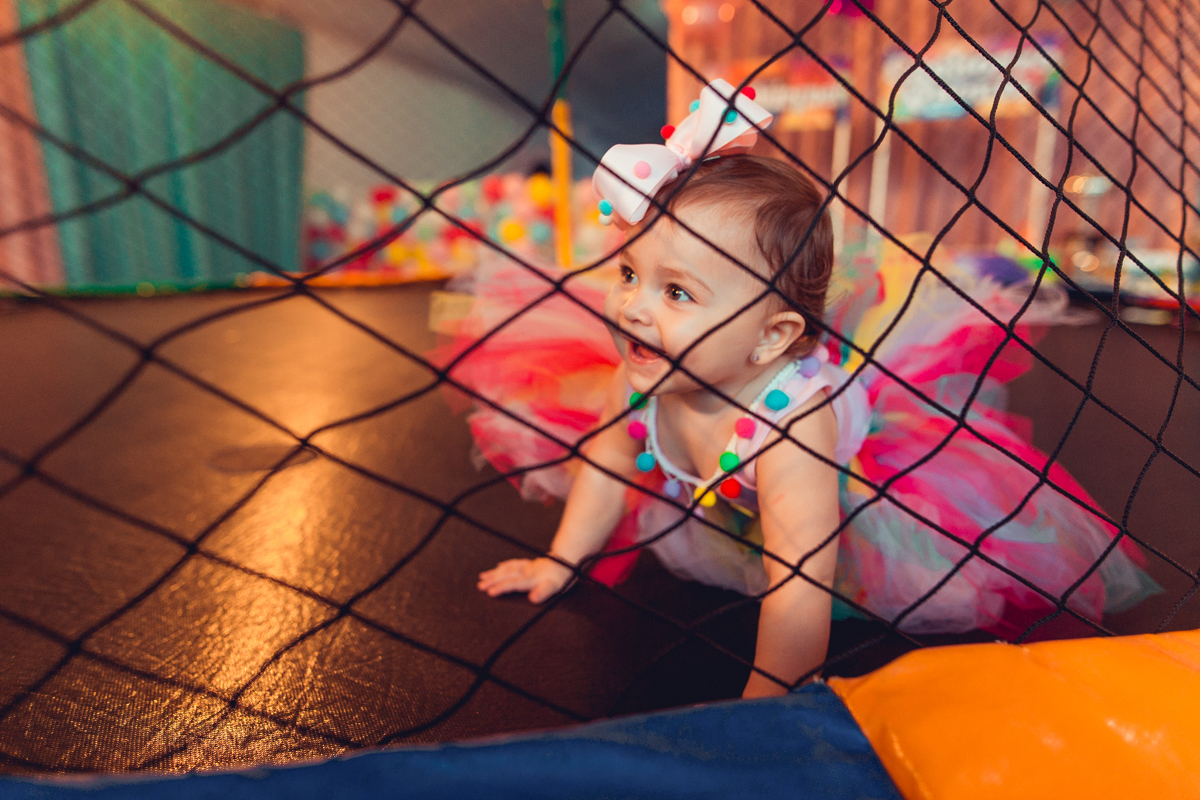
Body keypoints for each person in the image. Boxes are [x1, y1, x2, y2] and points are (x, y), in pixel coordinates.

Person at [436, 80, 1159, 699]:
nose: (633, 308)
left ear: (770, 338)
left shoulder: (793, 436)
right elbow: (606, 466)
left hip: (830, 450)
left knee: (821, 534)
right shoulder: (643, 375)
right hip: (732, 433)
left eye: (677, 291)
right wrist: (561, 563)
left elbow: (800, 581)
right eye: (629, 274)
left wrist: (771, 695)